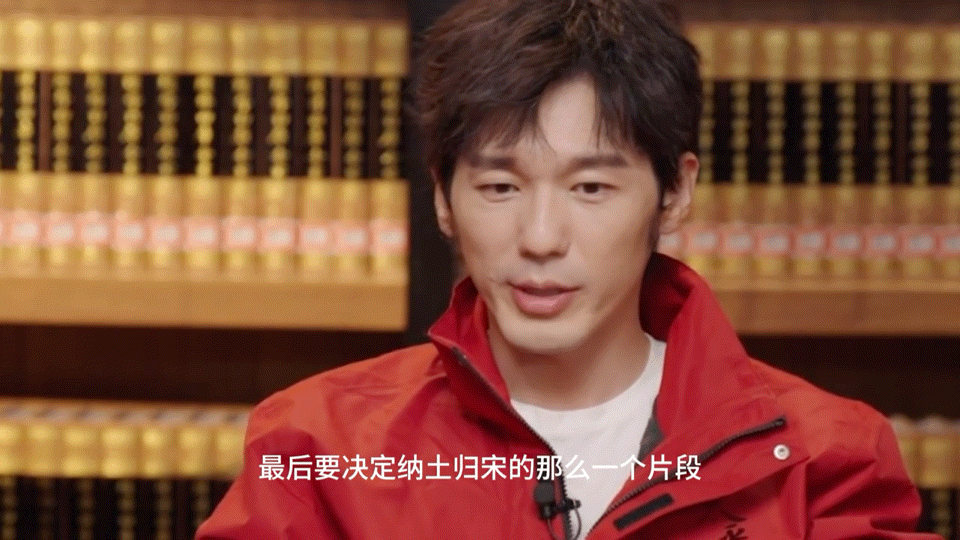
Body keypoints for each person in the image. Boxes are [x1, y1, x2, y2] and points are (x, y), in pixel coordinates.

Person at [196, 0, 936, 538]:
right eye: (499, 187)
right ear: (443, 199)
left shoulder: (822, 458)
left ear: (675, 193)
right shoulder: (318, 448)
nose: (541, 238)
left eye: (591, 188)